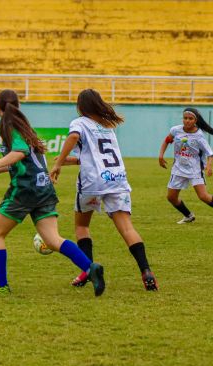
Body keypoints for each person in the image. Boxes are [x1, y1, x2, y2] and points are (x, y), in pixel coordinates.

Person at [0, 89, 106, 296]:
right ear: (18, 105)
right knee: (53, 240)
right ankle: (91, 268)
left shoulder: (8, 126)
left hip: (25, 191)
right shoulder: (25, 126)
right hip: (43, 187)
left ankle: (0, 286)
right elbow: (28, 161)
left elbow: (20, 153)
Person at [50, 89, 158, 291]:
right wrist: (70, 161)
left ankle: (87, 271)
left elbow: (73, 137)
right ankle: (146, 271)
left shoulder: (80, 122)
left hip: (93, 183)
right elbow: (97, 156)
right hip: (116, 179)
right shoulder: (107, 126)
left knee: (82, 227)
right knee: (127, 228)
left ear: (81, 106)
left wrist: (58, 163)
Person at [158, 108, 213, 225]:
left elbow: (210, 153)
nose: (187, 121)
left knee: (203, 196)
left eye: (190, 118)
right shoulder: (176, 130)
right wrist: (161, 156)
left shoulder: (199, 136)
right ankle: (188, 216)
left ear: (195, 120)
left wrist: (209, 166)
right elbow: (166, 141)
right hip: (178, 168)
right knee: (171, 197)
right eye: (185, 118)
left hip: (195, 170)